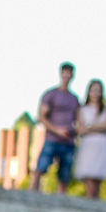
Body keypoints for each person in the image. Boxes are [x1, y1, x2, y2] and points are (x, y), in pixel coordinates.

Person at [31, 62, 80, 194]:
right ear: (61, 74)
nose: (67, 77)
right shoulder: (50, 95)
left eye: (69, 74)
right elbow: (41, 117)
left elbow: (78, 120)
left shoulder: (74, 99)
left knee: (64, 176)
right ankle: (30, 195)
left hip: (68, 141)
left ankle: (60, 201)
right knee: (39, 169)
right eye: (65, 74)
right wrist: (57, 130)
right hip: (52, 139)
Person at [74, 79, 106, 199]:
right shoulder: (82, 109)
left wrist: (91, 126)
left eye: (98, 90)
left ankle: (95, 202)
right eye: (93, 90)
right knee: (88, 178)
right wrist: (99, 127)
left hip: (102, 146)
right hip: (88, 146)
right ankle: (89, 201)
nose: (95, 93)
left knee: (98, 179)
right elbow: (80, 129)